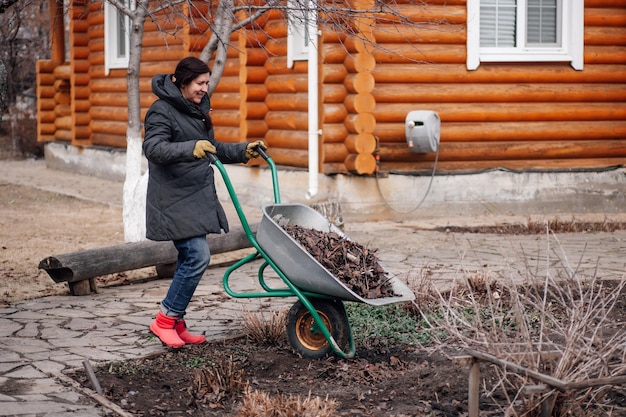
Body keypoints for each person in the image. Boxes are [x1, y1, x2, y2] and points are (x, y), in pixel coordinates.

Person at [142, 56, 266, 348]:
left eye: (206, 83)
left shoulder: (193, 109)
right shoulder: (162, 110)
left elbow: (210, 149)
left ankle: (176, 321)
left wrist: (241, 151)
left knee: (191, 258)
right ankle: (164, 320)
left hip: (191, 196)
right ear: (182, 82)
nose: (204, 88)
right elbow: (153, 147)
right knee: (198, 257)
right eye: (200, 83)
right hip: (173, 198)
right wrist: (190, 148)